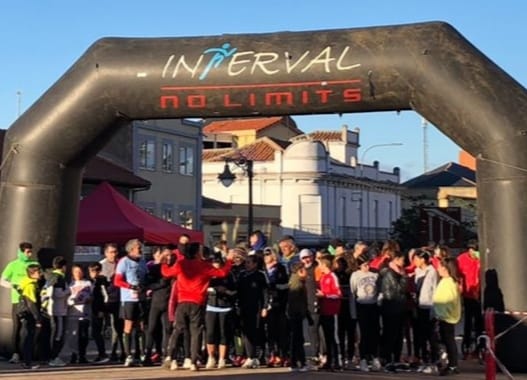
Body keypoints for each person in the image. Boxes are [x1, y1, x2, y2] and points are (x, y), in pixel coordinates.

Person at [161, 243, 234, 371]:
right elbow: (222, 273)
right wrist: (229, 260)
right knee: (196, 331)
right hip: (197, 301)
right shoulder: (203, 266)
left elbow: (166, 273)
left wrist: (164, 263)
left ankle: (170, 356)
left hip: (182, 301)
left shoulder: (181, 264)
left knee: (178, 330)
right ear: (196, 253)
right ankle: (194, 361)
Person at [0, 241, 38, 364]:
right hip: (17, 300)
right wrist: (13, 285)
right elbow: (2, 280)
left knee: (31, 329)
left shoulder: (35, 264)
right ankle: (15, 353)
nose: (30, 254)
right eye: (27, 252)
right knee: (17, 328)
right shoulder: (13, 265)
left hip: (31, 300)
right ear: (21, 252)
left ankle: (29, 355)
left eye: (31, 251)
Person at [113, 238, 149, 367]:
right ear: (131, 249)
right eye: (138, 248)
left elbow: (146, 277)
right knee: (128, 325)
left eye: (141, 248)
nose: (141, 250)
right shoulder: (124, 262)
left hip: (141, 298)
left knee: (141, 326)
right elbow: (117, 281)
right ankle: (128, 355)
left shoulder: (143, 262)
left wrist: (146, 287)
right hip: (128, 299)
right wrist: (130, 287)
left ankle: (142, 354)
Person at [237, 254, 270, 369]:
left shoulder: (260, 275)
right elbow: (238, 292)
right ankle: (249, 356)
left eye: (249, 262)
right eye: (246, 262)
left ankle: (258, 357)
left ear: (255, 264)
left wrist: (265, 307)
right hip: (244, 308)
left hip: (257, 308)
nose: (246, 265)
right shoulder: (242, 275)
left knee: (257, 332)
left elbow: (265, 292)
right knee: (246, 332)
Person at [204, 251, 236, 369]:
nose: (215, 264)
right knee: (210, 333)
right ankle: (211, 357)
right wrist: (212, 290)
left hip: (225, 307)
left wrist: (225, 291)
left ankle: (222, 358)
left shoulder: (228, 274)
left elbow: (234, 291)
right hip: (211, 306)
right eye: (213, 262)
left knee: (224, 334)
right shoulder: (208, 273)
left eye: (217, 262)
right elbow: (203, 287)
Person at [377, 250, 408, 372]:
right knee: (391, 334)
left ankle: (394, 357)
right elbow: (398, 290)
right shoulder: (389, 273)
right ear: (396, 260)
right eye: (402, 260)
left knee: (396, 334)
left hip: (396, 307)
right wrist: (404, 277)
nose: (404, 263)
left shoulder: (393, 272)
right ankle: (388, 358)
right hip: (392, 307)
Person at [350, 254, 381, 372]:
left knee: (375, 332)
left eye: (368, 264)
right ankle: (363, 358)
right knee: (364, 333)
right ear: (359, 266)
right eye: (364, 265)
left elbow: (379, 290)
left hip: (373, 306)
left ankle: (374, 357)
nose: (367, 267)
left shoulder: (375, 274)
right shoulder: (355, 275)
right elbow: (353, 293)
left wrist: (379, 301)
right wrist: (353, 312)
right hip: (361, 306)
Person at [144, 246, 172, 366]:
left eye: (170, 255)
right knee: (151, 329)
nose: (169, 258)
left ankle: (166, 355)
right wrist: (157, 285)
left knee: (167, 329)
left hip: (168, 302)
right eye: (166, 255)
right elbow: (148, 283)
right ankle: (148, 354)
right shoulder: (155, 268)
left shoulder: (173, 269)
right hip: (156, 301)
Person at [433, 257, 462, 376]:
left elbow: (449, 301)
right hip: (444, 316)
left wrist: (442, 315)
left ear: (445, 268)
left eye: (440, 266)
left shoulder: (449, 282)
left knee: (448, 341)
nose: (438, 269)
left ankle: (452, 365)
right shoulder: (446, 281)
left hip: (446, 317)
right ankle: (451, 364)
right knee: (447, 341)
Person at [413, 249, 439, 374]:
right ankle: (424, 360)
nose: (414, 261)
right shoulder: (417, 271)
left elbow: (434, 289)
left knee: (431, 336)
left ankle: (434, 361)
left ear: (423, 259)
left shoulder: (432, 271)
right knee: (420, 336)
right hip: (419, 305)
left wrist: (434, 309)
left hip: (429, 306)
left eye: (416, 259)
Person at [263, 246, 289, 367]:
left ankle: (282, 355)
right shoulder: (263, 270)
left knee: (281, 331)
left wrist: (274, 287)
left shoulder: (281, 268)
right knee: (269, 332)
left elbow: (285, 285)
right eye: (264, 255)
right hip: (266, 304)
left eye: (268, 255)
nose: (265, 257)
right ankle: (271, 354)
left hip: (279, 303)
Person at [42, 256, 71, 367]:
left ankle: (50, 356)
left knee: (52, 334)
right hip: (58, 311)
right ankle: (54, 357)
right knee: (58, 334)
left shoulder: (49, 276)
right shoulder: (59, 278)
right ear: (64, 266)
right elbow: (57, 294)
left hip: (50, 310)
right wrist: (68, 291)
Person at [457, 239, 483, 359]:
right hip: (468, 294)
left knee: (479, 323)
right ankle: (466, 346)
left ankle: (480, 348)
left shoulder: (481, 259)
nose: (472, 252)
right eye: (471, 250)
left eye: (475, 250)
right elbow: (458, 274)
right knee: (468, 321)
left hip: (479, 295)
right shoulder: (462, 259)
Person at [316, 255, 342, 371]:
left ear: (325, 265)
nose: (319, 267)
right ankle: (328, 360)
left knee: (333, 337)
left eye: (320, 264)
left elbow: (338, 294)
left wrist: (325, 295)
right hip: (324, 311)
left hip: (332, 311)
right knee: (326, 338)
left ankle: (336, 361)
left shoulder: (332, 276)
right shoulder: (323, 277)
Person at [100, 242, 124, 362]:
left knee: (118, 327)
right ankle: (104, 353)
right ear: (105, 253)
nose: (113, 255)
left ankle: (116, 352)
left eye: (115, 252)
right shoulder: (101, 265)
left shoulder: (121, 263)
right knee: (105, 327)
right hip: (106, 300)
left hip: (119, 299)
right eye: (111, 252)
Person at [286, 262, 311, 372]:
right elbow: (296, 302)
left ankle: (295, 362)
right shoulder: (297, 284)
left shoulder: (297, 281)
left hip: (295, 313)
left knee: (296, 339)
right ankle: (300, 362)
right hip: (295, 314)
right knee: (297, 339)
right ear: (300, 271)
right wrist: (302, 313)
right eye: (304, 270)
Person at [17, 263, 43, 369]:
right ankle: (27, 362)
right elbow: (31, 303)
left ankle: (27, 361)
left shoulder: (27, 283)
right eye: (38, 272)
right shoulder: (30, 286)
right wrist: (37, 319)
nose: (40, 274)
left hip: (25, 314)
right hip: (29, 315)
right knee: (29, 338)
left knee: (28, 337)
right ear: (32, 273)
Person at [67, 265, 93, 364]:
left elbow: (91, 296)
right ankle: (74, 354)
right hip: (73, 312)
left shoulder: (88, 283)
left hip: (85, 312)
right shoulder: (69, 284)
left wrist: (89, 299)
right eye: (76, 271)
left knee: (83, 335)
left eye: (80, 271)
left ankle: (82, 355)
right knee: (73, 335)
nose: (78, 274)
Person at [88, 261, 110, 364]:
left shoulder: (102, 281)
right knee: (93, 332)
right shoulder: (89, 281)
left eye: (96, 271)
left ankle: (102, 353)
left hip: (98, 309)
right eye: (92, 271)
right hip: (89, 309)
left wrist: (103, 310)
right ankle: (101, 353)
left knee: (97, 332)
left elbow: (105, 296)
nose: (93, 273)